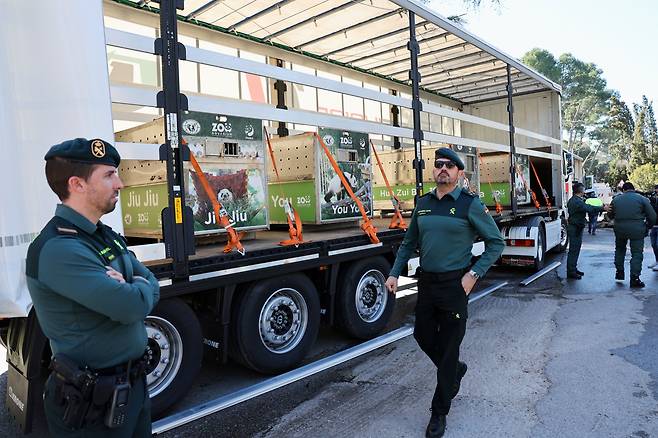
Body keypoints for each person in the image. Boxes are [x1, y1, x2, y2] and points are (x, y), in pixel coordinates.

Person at [26, 138, 160, 436]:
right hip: (91, 405)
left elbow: (151, 282)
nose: (120, 184)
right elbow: (132, 307)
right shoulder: (59, 248)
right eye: (109, 175)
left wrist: (133, 285)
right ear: (78, 184)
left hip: (129, 388)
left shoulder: (104, 235)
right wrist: (136, 288)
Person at [385, 148, 504, 438]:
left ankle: (439, 412)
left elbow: (496, 243)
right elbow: (409, 241)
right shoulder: (423, 204)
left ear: (459, 173)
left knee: (449, 347)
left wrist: (473, 275)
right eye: (438, 165)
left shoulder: (469, 205)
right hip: (427, 283)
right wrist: (394, 272)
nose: (443, 169)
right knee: (422, 335)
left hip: (455, 285)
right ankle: (454, 370)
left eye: (449, 166)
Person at [609, 181, 657, 287]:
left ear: (623, 190)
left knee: (620, 249)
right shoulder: (642, 199)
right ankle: (634, 278)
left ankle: (619, 272)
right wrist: (648, 226)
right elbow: (653, 216)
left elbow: (610, 214)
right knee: (637, 253)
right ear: (633, 189)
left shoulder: (616, 200)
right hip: (637, 229)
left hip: (620, 229)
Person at [566, 183, 604, 279]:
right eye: (583, 190)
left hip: (576, 227)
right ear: (580, 191)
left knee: (575, 249)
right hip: (575, 228)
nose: (584, 191)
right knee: (574, 250)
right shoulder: (577, 201)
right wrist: (603, 208)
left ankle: (573, 269)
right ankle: (571, 271)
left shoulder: (576, 200)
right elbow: (589, 208)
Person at [648, 184, 658, 271]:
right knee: (654, 244)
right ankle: (657, 260)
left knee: (657, 244)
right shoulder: (654, 198)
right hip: (654, 225)